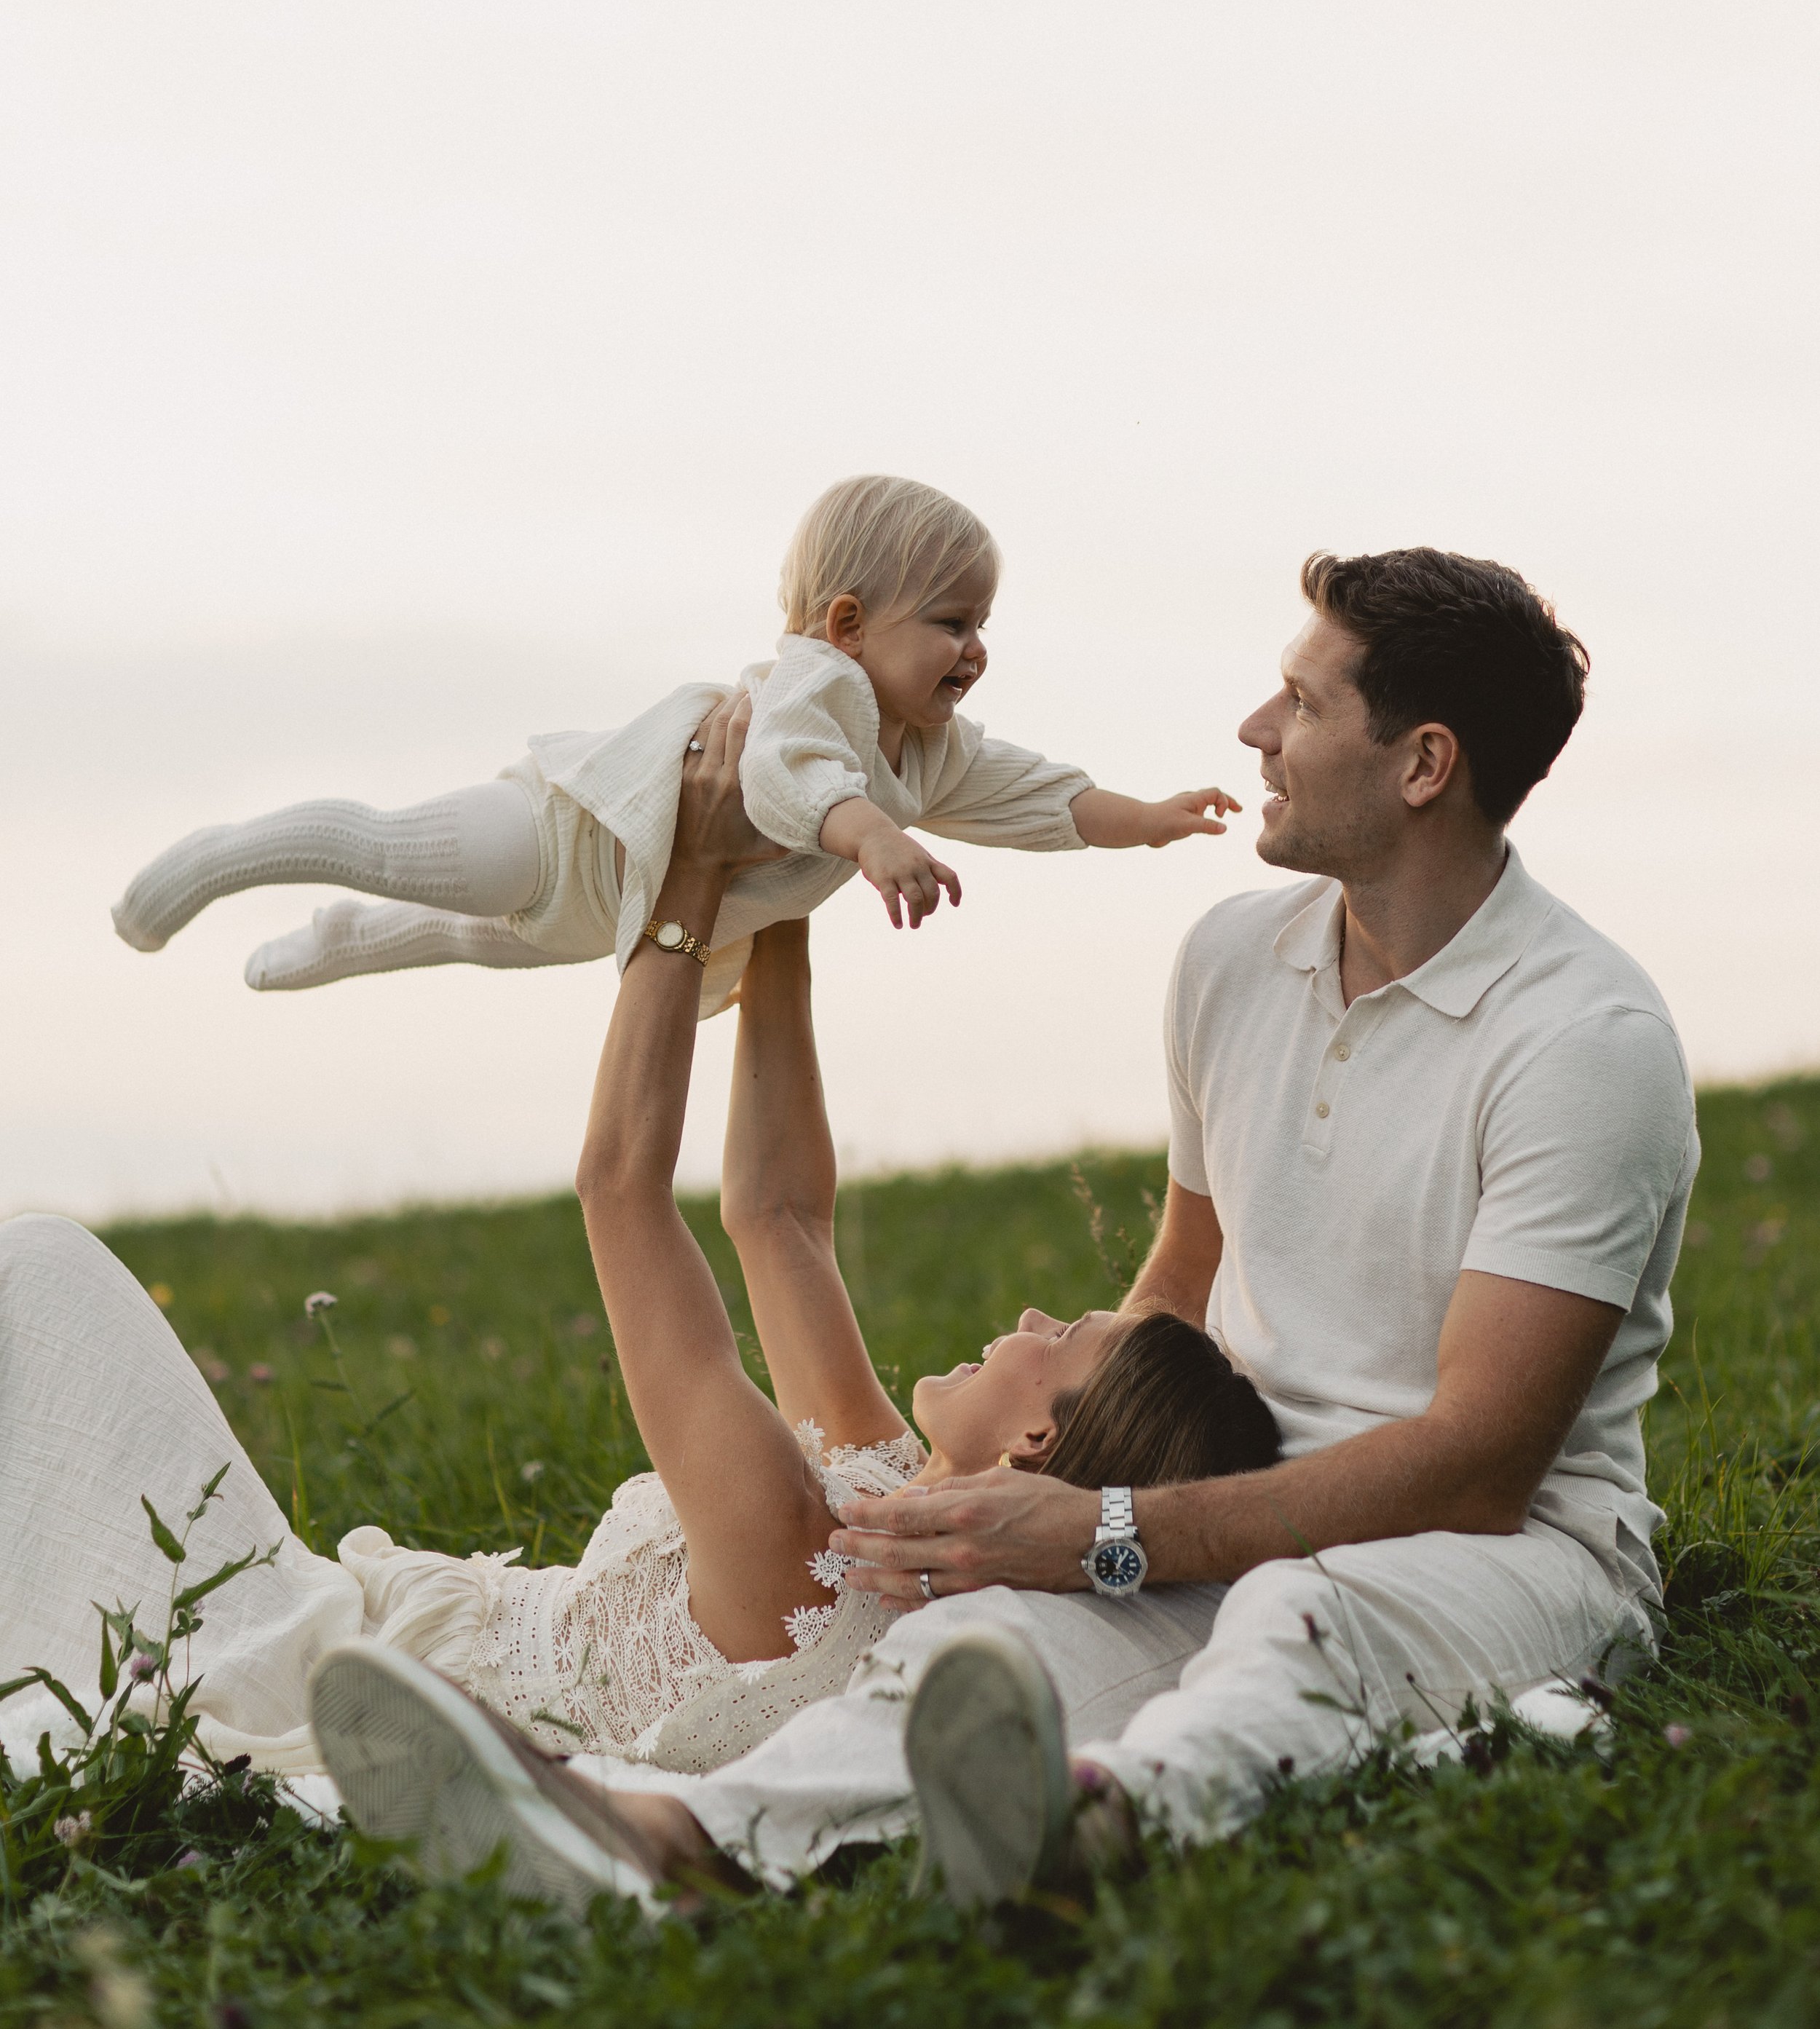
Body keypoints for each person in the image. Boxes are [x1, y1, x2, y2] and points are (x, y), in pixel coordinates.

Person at [325, 545, 1697, 1914]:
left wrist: (1110, 1529)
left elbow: (1478, 1465)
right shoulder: (1234, 962)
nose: (1255, 731)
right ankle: (656, 1838)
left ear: (1424, 763)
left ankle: (1097, 1827)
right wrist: (1069, 1474)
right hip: (1226, 1503)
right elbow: (1183, 1276)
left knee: (1294, 1620)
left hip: (1496, 1548)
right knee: (974, 1644)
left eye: (1305, 701)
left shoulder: (1583, 1041)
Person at [2, 700, 1278, 1919]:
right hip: (348, 1617)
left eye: (1062, 1344)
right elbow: (779, 1214)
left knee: (45, 1274)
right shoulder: (882, 1499)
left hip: (289, 1649)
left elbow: (621, 1191)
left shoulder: (802, 1552)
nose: (1033, 1313)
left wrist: (686, 892)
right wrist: (788, 866)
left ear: (1035, 1450)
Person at [109, 472, 1236, 1009]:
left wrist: (1147, 822)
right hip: (576, 830)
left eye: (984, 624)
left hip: (634, 906)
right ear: (847, 625)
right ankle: (221, 855)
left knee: (473, 941)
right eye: (953, 623)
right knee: (397, 845)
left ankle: (349, 940)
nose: (976, 648)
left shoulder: (925, 747)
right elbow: (788, 776)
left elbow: (1032, 793)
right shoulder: (814, 686)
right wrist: (872, 837)